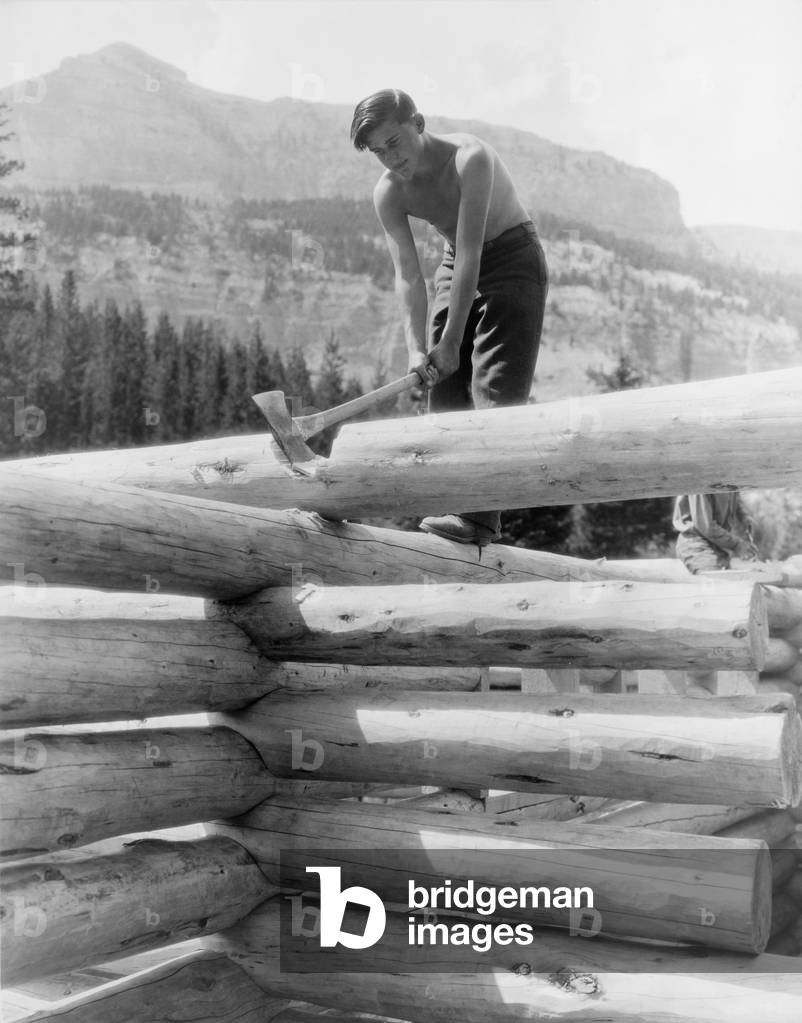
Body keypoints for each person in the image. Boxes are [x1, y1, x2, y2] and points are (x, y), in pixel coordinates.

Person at [350, 89, 549, 546]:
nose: (389, 158)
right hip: (455, 261)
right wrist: (417, 347)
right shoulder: (388, 193)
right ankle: (449, 505)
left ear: (418, 123)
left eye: (394, 142)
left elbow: (474, 253)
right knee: (440, 387)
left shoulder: (470, 159)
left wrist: (453, 338)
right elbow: (407, 276)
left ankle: (478, 519)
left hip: (512, 260)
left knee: (493, 391)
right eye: (377, 152)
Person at [673, 492, 760, 573]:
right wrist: (737, 545)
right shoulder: (701, 479)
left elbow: (734, 499)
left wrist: (743, 516)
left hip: (717, 548)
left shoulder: (729, 478)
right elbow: (706, 526)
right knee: (718, 583)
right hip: (696, 545)